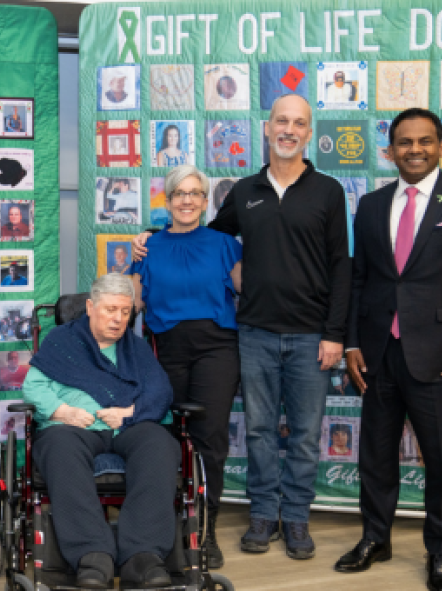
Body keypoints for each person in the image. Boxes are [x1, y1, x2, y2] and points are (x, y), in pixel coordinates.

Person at [133, 93, 350, 560]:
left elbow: (340, 266)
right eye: (281, 121)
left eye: (299, 123)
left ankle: (294, 520)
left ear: (309, 133)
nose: (289, 129)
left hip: (313, 334)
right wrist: (150, 236)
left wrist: (335, 333)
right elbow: (200, 232)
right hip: (251, 332)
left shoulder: (328, 191)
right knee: (258, 432)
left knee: (307, 433)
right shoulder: (245, 192)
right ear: (267, 129)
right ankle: (261, 516)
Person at [337, 108, 442, 591]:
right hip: (377, 355)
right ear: (389, 150)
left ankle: (440, 551)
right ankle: (376, 537)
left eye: (425, 141)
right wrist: (352, 340)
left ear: (441, 147)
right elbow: (360, 281)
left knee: (440, 460)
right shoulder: (370, 206)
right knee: (374, 455)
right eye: (404, 142)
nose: (415, 149)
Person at [23, 274, 179, 589]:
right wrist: (62, 411)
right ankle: (92, 555)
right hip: (73, 427)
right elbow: (33, 387)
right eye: (110, 309)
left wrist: (130, 413)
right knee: (59, 447)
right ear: (91, 307)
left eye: (125, 311)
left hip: (126, 427)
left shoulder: (136, 348)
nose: (118, 318)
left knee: (159, 443)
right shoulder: (62, 340)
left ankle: (142, 556)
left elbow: (160, 391)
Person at [127, 164, 243, 569]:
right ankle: (173, 523)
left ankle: (207, 529)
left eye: (196, 193)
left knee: (210, 437)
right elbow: (132, 304)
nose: (188, 200)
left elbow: (254, 290)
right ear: (168, 200)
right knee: (169, 436)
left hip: (218, 349)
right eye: (180, 193)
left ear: (205, 199)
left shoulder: (225, 244)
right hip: (167, 349)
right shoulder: (149, 247)